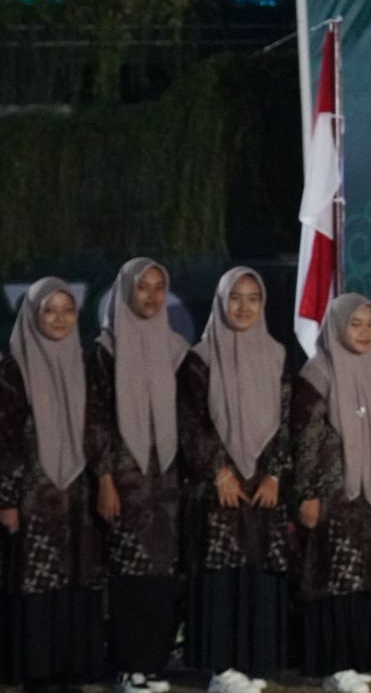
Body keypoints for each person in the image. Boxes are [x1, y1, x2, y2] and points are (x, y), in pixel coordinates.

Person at [178, 267, 294, 693]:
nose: (244, 307)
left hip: (263, 483)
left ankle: (255, 660)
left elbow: (286, 422)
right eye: (235, 298)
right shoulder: (200, 358)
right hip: (219, 487)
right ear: (221, 302)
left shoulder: (277, 356)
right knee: (221, 574)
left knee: (258, 568)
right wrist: (219, 472)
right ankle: (221, 668)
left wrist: (275, 474)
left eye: (253, 298)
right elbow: (192, 423)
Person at [87, 259, 190, 693]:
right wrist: (105, 479)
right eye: (142, 287)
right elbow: (95, 420)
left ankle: (154, 662)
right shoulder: (105, 350)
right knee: (131, 571)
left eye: (158, 287)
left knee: (163, 573)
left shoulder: (176, 349)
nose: (150, 296)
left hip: (166, 480)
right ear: (125, 292)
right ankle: (130, 667)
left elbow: (187, 416)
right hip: (125, 480)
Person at [0, 279, 104, 693]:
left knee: (74, 577)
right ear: (31, 315)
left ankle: (70, 667)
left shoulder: (82, 364)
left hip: (77, 496)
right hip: (31, 497)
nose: (59, 319)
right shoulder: (13, 370)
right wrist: (7, 500)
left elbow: (95, 430)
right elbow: (4, 441)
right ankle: (37, 671)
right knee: (36, 581)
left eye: (67, 310)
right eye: (49, 310)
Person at [293, 294, 371, 688]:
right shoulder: (317, 373)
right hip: (330, 493)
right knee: (334, 576)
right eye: (355, 324)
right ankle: (334, 665)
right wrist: (308, 493)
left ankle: (359, 657)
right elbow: (306, 440)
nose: (364, 332)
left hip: (368, 493)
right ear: (337, 326)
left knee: (363, 576)